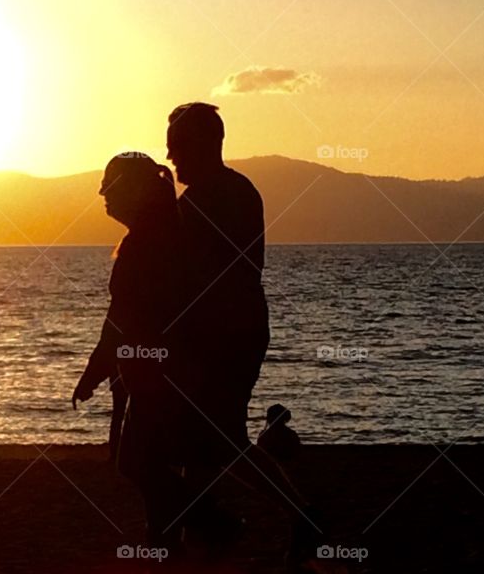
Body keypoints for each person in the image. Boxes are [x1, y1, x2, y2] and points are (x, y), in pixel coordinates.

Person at [166, 103, 324, 565]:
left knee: (220, 437)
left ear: (202, 145)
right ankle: (197, 534)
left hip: (224, 335)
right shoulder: (239, 191)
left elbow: (198, 274)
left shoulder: (203, 201)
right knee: (204, 437)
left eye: (177, 147)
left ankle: (296, 515)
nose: (171, 157)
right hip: (242, 327)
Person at [72, 153, 189, 549]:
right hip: (155, 370)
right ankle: (165, 540)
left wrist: (94, 372)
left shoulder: (145, 243)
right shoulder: (156, 235)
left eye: (111, 188)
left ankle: (209, 522)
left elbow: (121, 318)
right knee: (146, 460)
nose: (103, 196)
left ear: (133, 190)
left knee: (137, 460)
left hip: (158, 374)